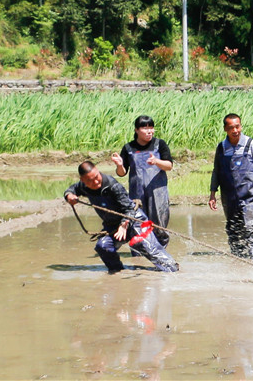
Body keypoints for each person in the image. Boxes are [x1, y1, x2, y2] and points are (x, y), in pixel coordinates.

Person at [64, 161, 178, 273]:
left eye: (96, 177)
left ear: (98, 172)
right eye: (90, 180)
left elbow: (128, 209)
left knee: (147, 247)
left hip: (134, 220)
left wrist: (124, 225)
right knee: (102, 246)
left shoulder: (113, 185)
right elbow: (71, 189)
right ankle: (117, 271)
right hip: (113, 225)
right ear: (82, 180)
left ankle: (172, 269)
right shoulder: (83, 186)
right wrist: (69, 196)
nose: (95, 181)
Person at [209, 113, 253, 259]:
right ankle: (239, 263)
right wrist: (212, 193)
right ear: (225, 129)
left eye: (237, 126)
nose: (235, 130)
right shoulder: (222, 148)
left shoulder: (251, 145)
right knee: (234, 232)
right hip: (229, 199)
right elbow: (216, 171)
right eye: (231, 128)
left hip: (250, 198)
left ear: (241, 126)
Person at [111, 115, 174, 247]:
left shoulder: (159, 144)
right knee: (137, 224)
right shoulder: (128, 148)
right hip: (136, 194)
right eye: (145, 128)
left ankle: (160, 253)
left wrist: (156, 162)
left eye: (151, 128)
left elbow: (169, 165)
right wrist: (119, 164)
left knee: (159, 226)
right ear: (136, 130)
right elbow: (122, 173)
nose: (149, 131)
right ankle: (139, 256)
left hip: (158, 193)